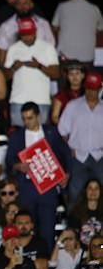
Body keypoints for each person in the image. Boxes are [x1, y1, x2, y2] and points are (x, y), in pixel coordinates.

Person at [6, 102, 70, 252]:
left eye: (30, 118)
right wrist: (18, 166)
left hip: (48, 187)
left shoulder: (51, 133)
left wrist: (66, 174)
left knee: (47, 227)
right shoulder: (17, 136)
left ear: (38, 116)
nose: (27, 122)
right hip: (27, 187)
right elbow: (9, 161)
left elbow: (66, 153)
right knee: (25, 226)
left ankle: (45, 260)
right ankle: (26, 258)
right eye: (24, 119)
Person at [3, 19, 60, 126]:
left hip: (41, 99)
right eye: (24, 35)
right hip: (18, 100)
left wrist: (39, 66)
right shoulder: (13, 48)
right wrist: (14, 68)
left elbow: (56, 73)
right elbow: (5, 76)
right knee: (19, 136)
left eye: (30, 34)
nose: (27, 37)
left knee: (39, 136)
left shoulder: (47, 48)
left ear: (35, 32)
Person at [58, 72, 103, 203]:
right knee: (75, 191)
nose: (91, 92)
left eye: (94, 89)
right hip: (77, 156)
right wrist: (69, 148)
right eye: (89, 88)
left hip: (99, 155)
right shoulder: (73, 106)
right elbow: (62, 131)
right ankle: (74, 222)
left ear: (99, 89)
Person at [0, 0, 56, 65]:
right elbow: (2, 56)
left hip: (42, 68)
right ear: (14, 6)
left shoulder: (43, 24)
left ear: (32, 4)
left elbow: (51, 47)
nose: (22, 7)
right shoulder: (6, 26)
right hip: (16, 70)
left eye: (25, 3)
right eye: (18, 4)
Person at [52, 0, 103, 65]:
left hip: (65, 53)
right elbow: (100, 29)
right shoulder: (94, 8)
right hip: (87, 54)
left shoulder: (62, 6)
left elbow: (54, 27)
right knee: (85, 76)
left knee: (66, 75)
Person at [68, 179, 103, 247]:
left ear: (100, 192)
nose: (93, 191)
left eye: (96, 188)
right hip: (81, 249)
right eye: (90, 188)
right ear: (85, 191)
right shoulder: (76, 212)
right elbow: (72, 235)